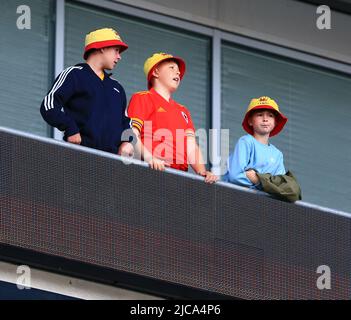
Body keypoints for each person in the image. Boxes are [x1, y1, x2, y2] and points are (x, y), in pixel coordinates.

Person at [40, 27, 133, 156]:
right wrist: (70, 128)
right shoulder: (75, 74)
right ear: (102, 47)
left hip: (112, 164)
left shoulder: (117, 87)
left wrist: (127, 142)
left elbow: (126, 122)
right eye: (116, 50)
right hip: (79, 155)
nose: (119, 57)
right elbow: (48, 106)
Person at [127, 52, 218, 184]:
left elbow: (191, 146)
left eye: (179, 71)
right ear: (156, 72)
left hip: (178, 178)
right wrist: (149, 158)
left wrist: (201, 171)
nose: (178, 73)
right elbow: (132, 134)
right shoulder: (143, 98)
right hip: (149, 172)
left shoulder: (183, 110)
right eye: (172, 68)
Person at [224, 96, 288, 189]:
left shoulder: (278, 154)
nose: (265, 119)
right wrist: (266, 184)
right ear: (250, 121)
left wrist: (257, 179)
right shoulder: (246, 142)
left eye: (270, 115)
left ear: (275, 122)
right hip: (237, 198)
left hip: (264, 202)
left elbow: (280, 187)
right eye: (260, 115)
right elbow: (235, 176)